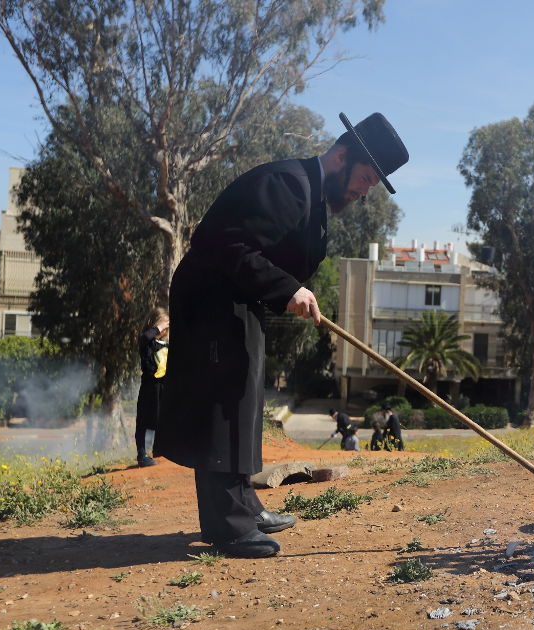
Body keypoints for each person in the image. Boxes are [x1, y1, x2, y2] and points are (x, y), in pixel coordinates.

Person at [156, 112, 409, 558]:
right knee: (225, 407)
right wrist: (287, 287)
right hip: (212, 303)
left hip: (239, 303)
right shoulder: (288, 183)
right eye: (365, 179)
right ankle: (228, 528)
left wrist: (284, 287)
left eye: (371, 186)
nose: (363, 191)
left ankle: (245, 507)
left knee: (245, 402)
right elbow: (226, 244)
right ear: (342, 156)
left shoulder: (311, 194)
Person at [135, 308, 169, 467]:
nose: (164, 330)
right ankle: (141, 454)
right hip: (150, 386)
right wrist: (158, 327)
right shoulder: (147, 342)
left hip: (164, 387)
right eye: (162, 327)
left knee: (163, 419)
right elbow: (145, 337)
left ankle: (160, 449)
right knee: (143, 420)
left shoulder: (167, 344)